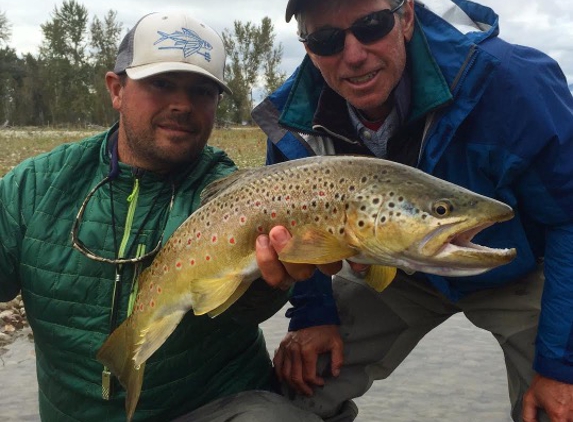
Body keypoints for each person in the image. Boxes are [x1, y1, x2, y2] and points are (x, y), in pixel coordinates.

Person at [252, 0, 573, 421]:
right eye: (326, 39)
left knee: (560, 406)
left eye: (371, 26)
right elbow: (295, 229)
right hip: (396, 268)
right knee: (298, 383)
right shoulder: (292, 120)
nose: (353, 55)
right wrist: (314, 313)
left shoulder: (513, 83)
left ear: (405, 18)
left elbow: (569, 219)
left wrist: (560, 366)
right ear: (308, 48)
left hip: (519, 267)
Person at [0, 11, 323, 422]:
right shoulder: (34, 188)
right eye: (161, 83)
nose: (182, 105)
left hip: (217, 406)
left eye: (202, 91)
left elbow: (244, 310)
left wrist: (267, 284)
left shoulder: (239, 195)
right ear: (116, 89)